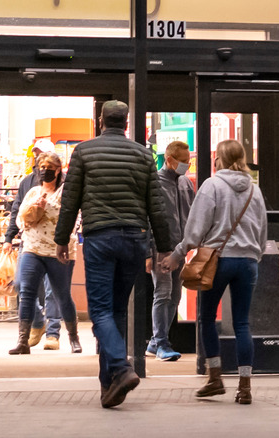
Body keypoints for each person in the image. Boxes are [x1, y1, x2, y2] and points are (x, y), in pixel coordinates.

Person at [54, 100, 172, 409]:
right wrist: (164, 247)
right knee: (117, 311)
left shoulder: (84, 152)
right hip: (135, 240)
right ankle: (109, 386)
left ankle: (120, 368)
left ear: (101, 120)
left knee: (101, 312)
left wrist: (61, 239)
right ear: (127, 122)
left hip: (100, 239)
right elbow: (155, 205)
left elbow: (70, 200)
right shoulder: (144, 155)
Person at [161, 139, 268, 405]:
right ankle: (244, 386)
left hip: (218, 260)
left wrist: (179, 253)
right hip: (247, 262)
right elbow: (263, 230)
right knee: (242, 323)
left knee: (207, 317)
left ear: (218, 159)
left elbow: (196, 227)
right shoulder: (255, 191)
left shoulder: (213, 185)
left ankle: (215, 377)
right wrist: (255, 254)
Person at [8, 152, 82, 355]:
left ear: (58, 170)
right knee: (26, 293)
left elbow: (74, 219)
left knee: (62, 296)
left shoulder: (67, 192)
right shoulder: (33, 192)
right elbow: (20, 222)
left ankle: (73, 338)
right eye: (41, 166)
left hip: (59, 250)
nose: (44, 170)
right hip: (32, 248)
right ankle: (23, 340)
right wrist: (34, 209)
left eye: (49, 166)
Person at [4, 140, 63, 351]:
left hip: (54, 245)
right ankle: (39, 323)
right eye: (38, 157)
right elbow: (16, 211)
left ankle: (53, 333)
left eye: (45, 157)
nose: (42, 166)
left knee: (52, 289)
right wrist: (9, 237)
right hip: (29, 242)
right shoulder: (27, 182)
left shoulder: (64, 186)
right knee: (21, 285)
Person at [146, 140, 195, 361]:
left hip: (179, 249)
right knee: (163, 293)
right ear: (169, 159)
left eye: (189, 161)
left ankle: (157, 341)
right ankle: (161, 342)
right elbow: (147, 219)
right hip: (161, 248)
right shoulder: (154, 183)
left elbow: (191, 214)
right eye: (183, 161)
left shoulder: (185, 184)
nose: (187, 165)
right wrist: (149, 252)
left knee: (174, 295)